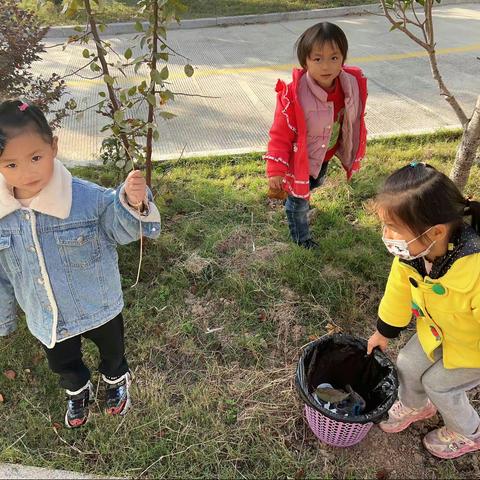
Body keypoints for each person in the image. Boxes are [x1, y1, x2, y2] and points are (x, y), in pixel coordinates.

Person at [0, 100, 161, 428]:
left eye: (35, 158)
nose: (27, 172)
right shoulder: (3, 216)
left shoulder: (85, 199)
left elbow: (119, 226)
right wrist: (5, 317)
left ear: (54, 147)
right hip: (47, 313)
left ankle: (116, 379)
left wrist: (131, 202)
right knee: (62, 361)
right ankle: (76, 388)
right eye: (11, 164)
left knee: (112, 350)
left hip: (98, 303)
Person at [367, 162, 480, 459]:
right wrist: (383, 331)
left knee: (439, 385)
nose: (387, 235)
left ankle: (467, 432)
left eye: (393, 227)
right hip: (439, 331)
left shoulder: (476, 268)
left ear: (435, 232)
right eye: (385, 225)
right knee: (407, 362)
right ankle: (416, 405)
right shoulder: (414, 254)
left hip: (474, 349)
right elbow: (398, 292)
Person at [264, 22, 367, 248]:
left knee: (317, 181)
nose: (326, 66)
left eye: (334, 57)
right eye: (317, 59)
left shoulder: (350, 85)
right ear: (305, 61)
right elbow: (280, 133)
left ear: (343, 58)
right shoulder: (294, 95)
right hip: (299, 160)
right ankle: (302, 238)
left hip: (324, 155)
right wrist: (276, 168)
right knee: (299, 202)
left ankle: (301, 193)